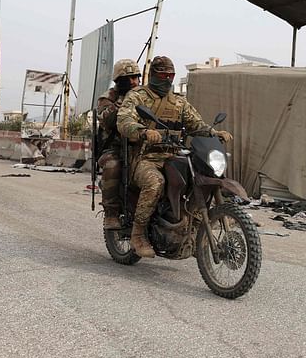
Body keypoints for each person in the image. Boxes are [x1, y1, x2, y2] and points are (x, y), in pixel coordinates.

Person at [117, 56, 232, 258]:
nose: (167, 80)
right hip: (146, 158)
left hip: (174, 156)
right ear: (153, 75)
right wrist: (142, 131)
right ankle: (138, 234)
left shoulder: (179, 102)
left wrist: (214, 133)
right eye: (163, 75)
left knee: (199, 180)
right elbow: (124, 120)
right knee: (155, 183)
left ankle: (192, 228)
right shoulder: (138, 96)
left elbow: (197, 124)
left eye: (171, 76)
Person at [96, 59, 141, 230]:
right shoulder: (108, 98)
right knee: (113, 165)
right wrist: (122, 102)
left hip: (140, 146)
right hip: (115, 148)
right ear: (118, 81)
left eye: (135, 78)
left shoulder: (143, 95)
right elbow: (106, 120)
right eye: (127, 79)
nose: (133, 82)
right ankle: (111, 213)